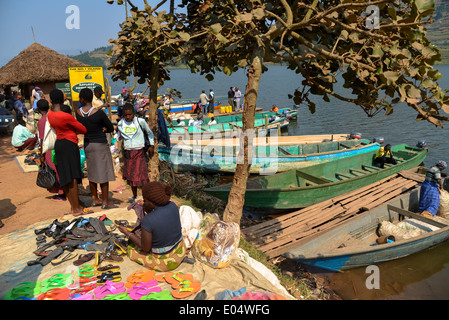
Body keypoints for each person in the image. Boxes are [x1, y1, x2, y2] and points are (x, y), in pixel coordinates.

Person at [117, 181, 187, 272]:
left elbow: (145, 248)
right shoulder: (173, 205)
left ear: (151, 202)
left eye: (145, 200)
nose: (144, 202)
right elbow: (162, 221)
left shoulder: (148, 220)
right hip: (179, 248)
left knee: (131, 249)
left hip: (163, 258)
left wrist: (128, 233)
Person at [47, 89, 92, 216]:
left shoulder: (50, 115)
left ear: (51, 100)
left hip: (59, 144)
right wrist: (73, 129)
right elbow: (83, 129)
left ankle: (73, 207)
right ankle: (77, 209)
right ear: (62, 100)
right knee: (73, 177)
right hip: (69, 145)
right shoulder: (66, 116)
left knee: (65, 177)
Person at [76, 88, 116, 209]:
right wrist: (104, 128)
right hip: (100, 144)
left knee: (92, 172)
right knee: (103, 172)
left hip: (87, 144)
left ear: (82, 99)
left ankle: (94, 199)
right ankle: (105, 201)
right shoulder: (99, 113)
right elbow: (110, 127)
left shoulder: (78, 113)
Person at [116, 103, 154, 202]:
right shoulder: (120, 124)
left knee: (142, 175)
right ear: (123, 115)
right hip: (128, 152)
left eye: (130, 114)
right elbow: (120, 136)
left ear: (134, 113)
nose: (128, 117)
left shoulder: (140, 122)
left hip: (139, 151)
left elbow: (149, 133)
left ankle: (146, 196)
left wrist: (151, 145)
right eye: (126, 115)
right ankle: (134, 196)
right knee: (131, 175)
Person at [36, 99, 66, 201]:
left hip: (48, 148)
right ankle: (63, 191)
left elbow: (41, 139)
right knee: (59, 169)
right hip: (59, 144)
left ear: (39, 109)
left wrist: (41, 154)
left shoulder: (41, 121)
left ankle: (62, 193)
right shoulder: (53, 116)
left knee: (53, 170)